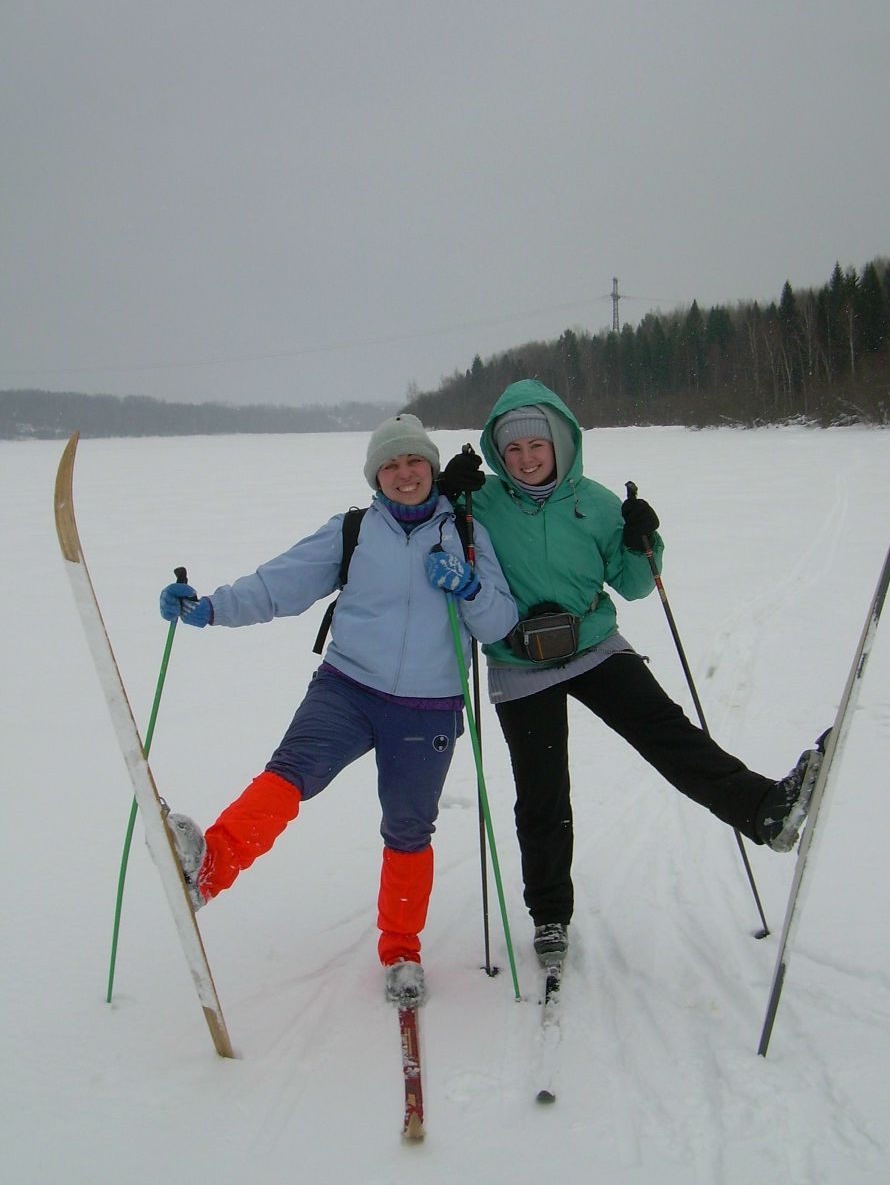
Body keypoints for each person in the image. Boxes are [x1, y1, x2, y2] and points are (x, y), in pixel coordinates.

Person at [437, 379, 824, 969]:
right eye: (512, 449)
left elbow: (636, 585)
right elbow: (428, 529)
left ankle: (765, 812)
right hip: (520, 663)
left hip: (594, 645)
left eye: (537, 445)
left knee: (670, 736)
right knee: (542, 795)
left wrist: (645, 539)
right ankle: (549, 918)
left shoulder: (594, 502)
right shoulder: (478, 503)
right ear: (497, 452)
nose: (526, 458)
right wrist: (444, 494)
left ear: (561, 442)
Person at [158, 413, 518, 1005]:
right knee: (288, 774)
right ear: (377, 477)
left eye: (414, 461)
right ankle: (209, 869)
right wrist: (211, 608)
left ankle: (401, 950)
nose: (405, 474)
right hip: (347, 687)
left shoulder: (469, 534)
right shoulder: (352, 531)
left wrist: (469, 587)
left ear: (430, 467)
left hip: (428, 707)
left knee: (408, 828)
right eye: (391, 465)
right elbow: (279, 585)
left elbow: (500, 622)